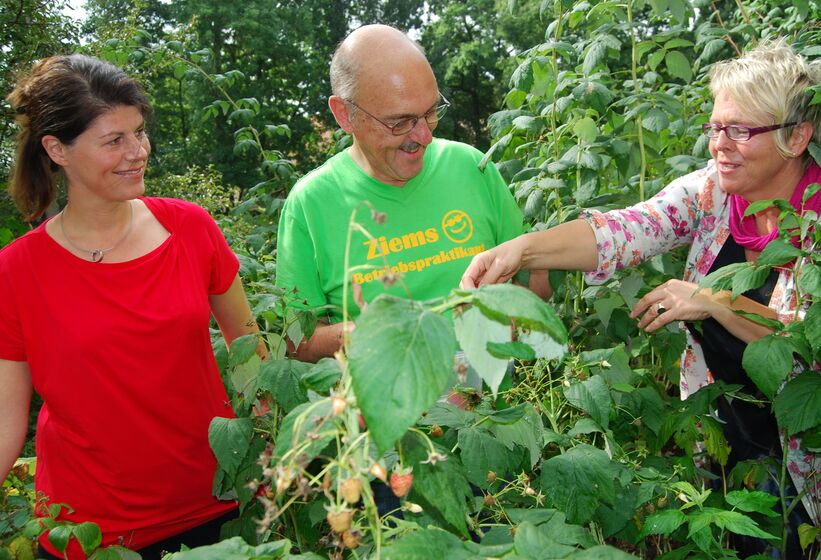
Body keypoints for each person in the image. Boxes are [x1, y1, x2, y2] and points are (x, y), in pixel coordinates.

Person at [461, 39, 821, 557]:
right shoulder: (717, 190)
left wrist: (715, 300)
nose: (719, 145)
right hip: (724, 429)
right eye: (715, 127)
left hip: (813, 456)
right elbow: (632, 228)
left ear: (797, 136)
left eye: (739, 130)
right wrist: (524, 250)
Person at [0, 54, 264, 560]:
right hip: (90, 535)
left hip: (217, 506)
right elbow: (8, 424)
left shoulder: (191, 228)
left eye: (139, 133)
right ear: (57, 150)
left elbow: (250, 350)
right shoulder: (16, 272)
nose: (138, 152)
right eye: (113, 140)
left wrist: (269, 435)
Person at [276, 24, 548, 363]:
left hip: (496, 405)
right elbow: (297, 341)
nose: (424, 136)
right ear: (345, 115)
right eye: (400, 122)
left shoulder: (470, 167)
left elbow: (535, 289)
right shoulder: (310, 203)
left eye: (431, 112)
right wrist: (371, 334)